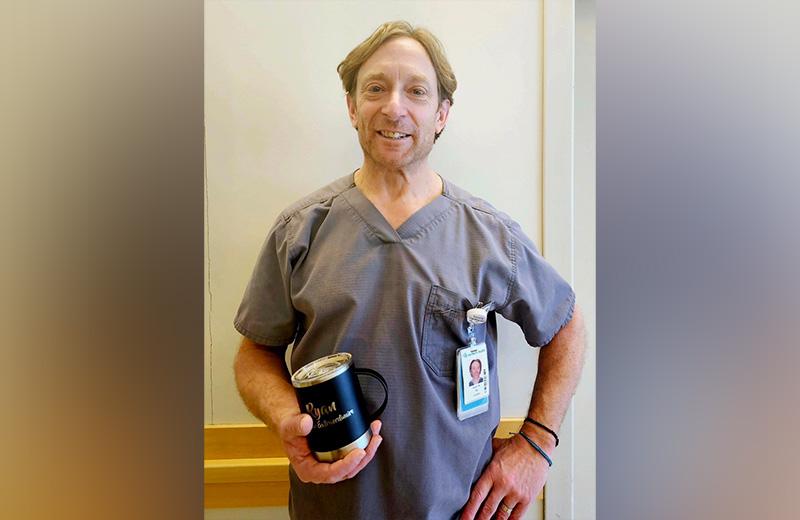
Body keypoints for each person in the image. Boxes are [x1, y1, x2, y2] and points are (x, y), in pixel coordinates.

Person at [233, 20, 586, 520]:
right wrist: (285, 416)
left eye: (416, 91)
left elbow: (567, 326)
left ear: (441, 115)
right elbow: (254, 354)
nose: (393, 106)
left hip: (461, 509)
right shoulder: (300, 231)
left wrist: (537, 444)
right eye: (375, 88)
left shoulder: (489, 237)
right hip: (331, 506)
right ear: (352, 106)